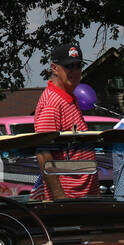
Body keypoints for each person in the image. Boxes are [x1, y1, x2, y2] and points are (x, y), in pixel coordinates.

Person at [32, 43, 98, 200]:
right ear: (54, 68)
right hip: (69, 200)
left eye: (78, 66)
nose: (75, 71)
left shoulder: (68, 98)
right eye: (69, 66)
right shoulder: (52, 103)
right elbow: (43, 153)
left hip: (85, 198)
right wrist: (59, 198)